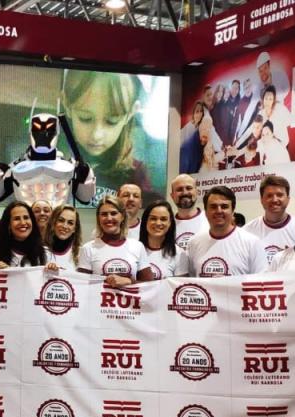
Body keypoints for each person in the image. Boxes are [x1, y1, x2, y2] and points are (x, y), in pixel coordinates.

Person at [62, 70, 159, 204]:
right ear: (66, 104)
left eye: (111, 121)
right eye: (85, 118)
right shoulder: (54, 163)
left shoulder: (135, 174)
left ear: (131, 112)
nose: (96, 135)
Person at [186, 186, 267, 277]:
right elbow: (191, 280)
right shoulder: (194, 243)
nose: (219, 211)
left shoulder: (252, 243)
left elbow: (260, 281)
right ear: (206, 211)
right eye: (213, 206)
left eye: (224, 206)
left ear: (233, 210)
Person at [77, 195, 154, 286]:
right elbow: (82, 286)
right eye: (104, 214)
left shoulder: (137, 246)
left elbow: (151, 285)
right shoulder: (88, 248)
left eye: (113, 213)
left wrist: (129, 281)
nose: (109, 218)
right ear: (98, 218)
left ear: (122, 216)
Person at [243, 175, 295, 262]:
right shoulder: (247, 231)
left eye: (279, 195)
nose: (274, 200)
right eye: (269, 195)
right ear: (261, 200)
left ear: (288, 199)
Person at [0, 201, 50, 269]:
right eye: (17, 219)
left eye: (26, 217)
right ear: (8, 225)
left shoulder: (45, 253)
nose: (23, 223)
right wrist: (6, 272)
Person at [139, 200, 187, 279]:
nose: (158, 223)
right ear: (145, 221)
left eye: (163, 219)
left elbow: (180, 285)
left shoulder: (179, 253)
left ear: (170, 223)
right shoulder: (135, 249)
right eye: (153, 218)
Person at [169, 174, 209, 249]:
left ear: (197, 192)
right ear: (172, 196)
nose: (185, 192)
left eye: (189, 188)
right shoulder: (167, 225)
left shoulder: (210, 220)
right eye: (179, 189)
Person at [43, 204, 82, 271]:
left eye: (70, 223)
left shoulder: (80, 253)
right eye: (61, 220)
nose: (65, 226)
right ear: (53, 222)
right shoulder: (40, 250)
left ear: (74, 229)